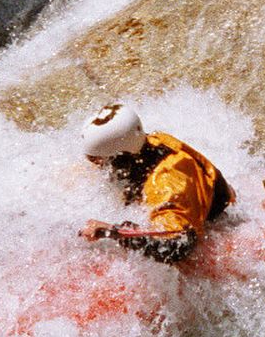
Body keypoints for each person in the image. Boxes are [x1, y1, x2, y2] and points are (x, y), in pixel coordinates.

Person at [78, 103, 233, 264]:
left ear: (122, 157)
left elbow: (177, 246)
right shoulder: (149, 142)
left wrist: (113, 232)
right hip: (202, 197)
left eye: (100, 162)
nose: (99, 168)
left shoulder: (165, 187)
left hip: (214, 229)